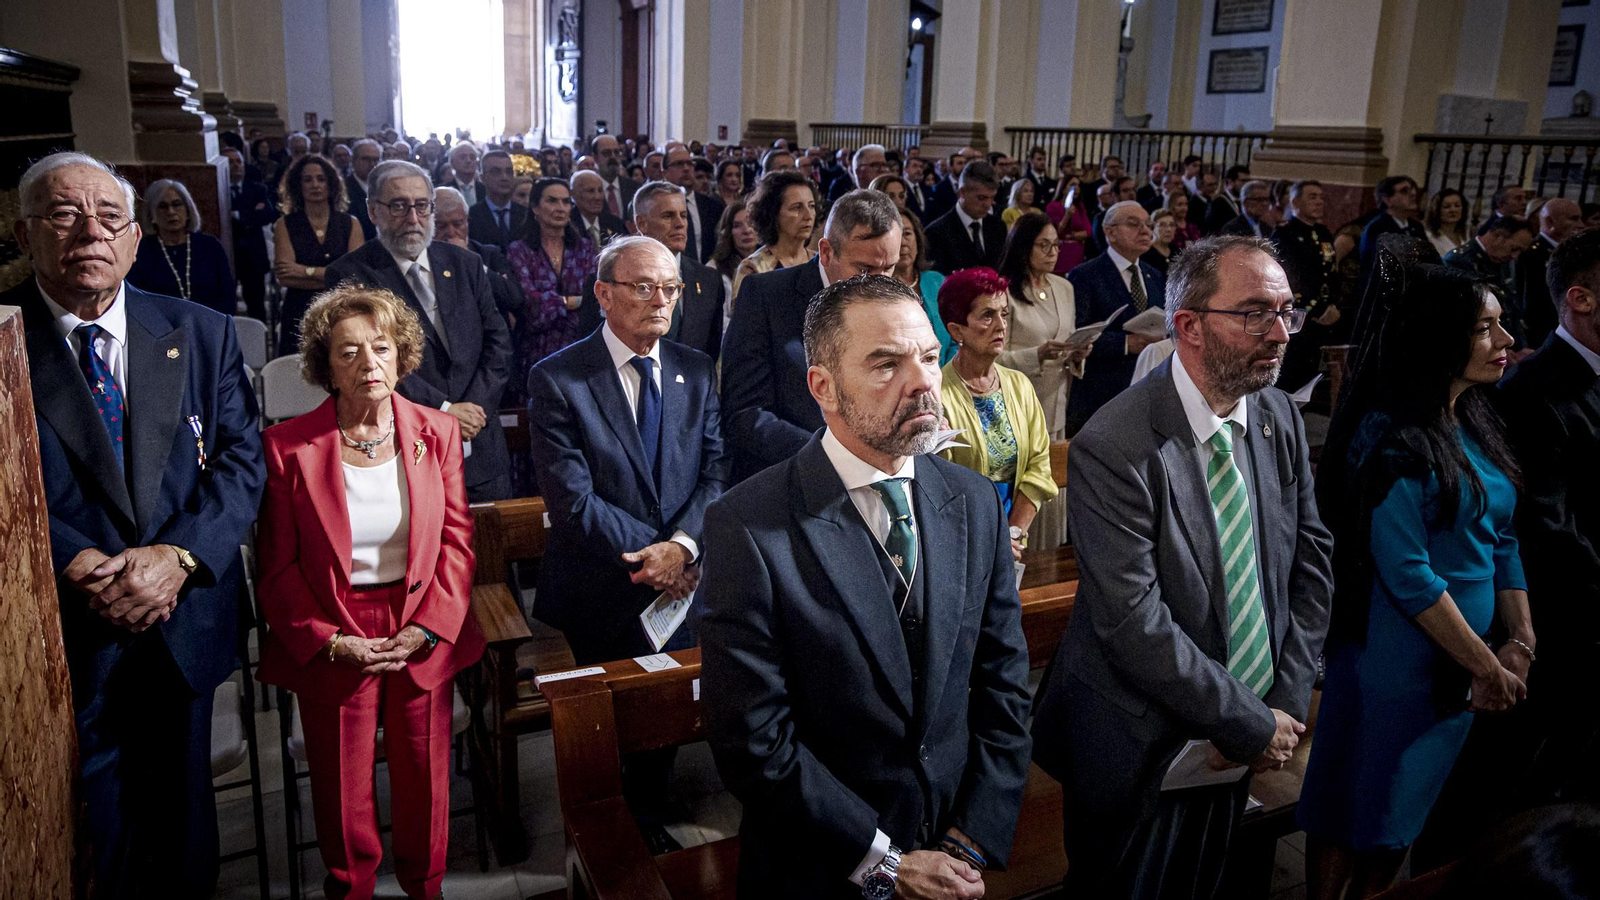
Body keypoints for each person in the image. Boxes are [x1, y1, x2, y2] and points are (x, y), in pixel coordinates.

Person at [701, 272, 1033, 900]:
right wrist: (885, 863)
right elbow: (754, 741)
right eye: (886, 364)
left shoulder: (971, 500)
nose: (922, 382)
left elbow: (1003, 677)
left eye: (930, 356)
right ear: (822, 386)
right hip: (820, 862)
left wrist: (975, 831)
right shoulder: (749, 526)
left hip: (955, 847)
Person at [1033, 234, 1333, 899]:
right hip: (1144, 740)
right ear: (1189, 326)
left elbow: (1309, 556)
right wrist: (1247, 720)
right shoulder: (1116, 443)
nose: (1281, 332)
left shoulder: (1276, 413)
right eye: (1256, 312)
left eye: (1288, 311)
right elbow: (1132, 623)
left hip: (1253, 731)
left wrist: (1279, 707)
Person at [9, 151, 265, 898]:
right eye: (64, 214)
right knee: (85, 844)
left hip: (180, 619)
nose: (90, 231)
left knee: (184, 841)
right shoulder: (4, 341)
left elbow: (242, 464)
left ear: (133, 237)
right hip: (58, 628)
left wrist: (180, 556)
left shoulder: (202, 331)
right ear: (25, 235)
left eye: (109, 216)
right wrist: (71, 559)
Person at [1299, 262, 1529, 899]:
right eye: (1485, 329)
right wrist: (1484, 664)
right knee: (1354, 801)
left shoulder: (1474, 419)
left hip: (1467, 657)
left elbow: (1503, 537)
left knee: (1400, 817)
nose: (1506, 341)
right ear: (1438, 338)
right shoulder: (1395, 436)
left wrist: (1522, 641)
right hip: (1395, 655)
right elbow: (1406, 570)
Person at [256, 285, 485, 900]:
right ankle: (351, 889)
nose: (369, 364)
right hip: (336, 627)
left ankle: (425, 886)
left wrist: (428, 626)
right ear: (323, 366)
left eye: (381, 348)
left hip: (419, 622)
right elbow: (275, 570)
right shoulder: (287, 449)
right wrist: (330, 642)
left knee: (425, 779)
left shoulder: (436, 432)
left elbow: (458, 544)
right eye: (349, 352)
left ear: (402, 354)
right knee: (340, 787)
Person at [526, 234, 728, 852]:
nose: (661, 300)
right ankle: (602, 828)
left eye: (670, 288)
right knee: (605, 726)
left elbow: (717, 471)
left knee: (664, 709)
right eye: (644, 287)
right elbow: (572, 501)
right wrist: (660, 556)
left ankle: (644, 817)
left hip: (682, 580)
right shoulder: (560, 378)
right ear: (604, 294)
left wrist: (686, 548)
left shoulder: (694, 369)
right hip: (600, 583)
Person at [324, 161, 514, 502]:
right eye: (399, 206)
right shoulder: (351, 276)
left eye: (421, 205)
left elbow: (499, 344)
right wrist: (441, 410)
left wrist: (472, 407)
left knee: (490, 548)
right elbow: (370, 364)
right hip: (405, 443)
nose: (413, 218)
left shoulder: (465, 264)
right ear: (373, 211)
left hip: (480, 438)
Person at [721, 189, 901, 481]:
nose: (878, 285)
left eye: (889, 268)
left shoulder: (895, 303)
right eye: (865, 270)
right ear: (827, 252)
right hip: (788, 478)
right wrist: (829, 457)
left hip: (876, 472)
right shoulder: (765, 296)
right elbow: (745, 413)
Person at [934, 265, 1063, 560]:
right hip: (960, 544)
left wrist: (1012, 534)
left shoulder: (1019, 385)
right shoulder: (937, 395)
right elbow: (942, 487)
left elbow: (1039, 466)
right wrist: (991, 543)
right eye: (987, 315)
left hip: (1013, 541)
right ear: (956, 330)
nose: (1001, 326)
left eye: (1003, 314)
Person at [576, 181, 725, 361]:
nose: (680, 224)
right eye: (668, 216)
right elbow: (593, 346)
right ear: (642, 223)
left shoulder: (708, 278)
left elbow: (711, 349)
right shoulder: (610, 277)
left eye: (684, 215)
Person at [1064, 199, 1167, 434]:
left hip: (1145, 385)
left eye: (1149, 225)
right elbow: (1076, 334)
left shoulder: (1155, 275)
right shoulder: (1085, 275)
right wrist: (1125, 343)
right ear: (1110, 232)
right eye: (1134, 224)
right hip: (1101, 389)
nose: (1145, 231)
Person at [505, 176, 600, 392]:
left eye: (566, 202)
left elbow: (594, 299)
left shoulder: (584, 248)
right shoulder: (520, 250)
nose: (560, 208)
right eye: (552, 201)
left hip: (581, 349)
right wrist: (574, 301)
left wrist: (555, 302)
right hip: (535, 353)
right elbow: (530, 304)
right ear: (535, 207)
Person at [272, 153, 364, 356]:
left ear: (331, 185)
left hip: (341, 309)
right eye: (308, 179)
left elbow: (355, 277)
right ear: (299, 186)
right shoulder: (285, 224)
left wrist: (305, 271)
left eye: (321, 179)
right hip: (299, 312)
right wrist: (333, 277)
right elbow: (286, 276)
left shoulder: (351, 223)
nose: (315, 184)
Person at [125, 178, 236, 316]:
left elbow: (227, 295)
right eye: (163, 206)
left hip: (211, 327)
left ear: (188, 210)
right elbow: (136, 300)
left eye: (177, 204)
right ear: (151, 213)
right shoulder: (142, 251)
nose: (171, 212)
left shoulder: (210, 246)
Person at [1272, 179, 1341, 391]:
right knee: (1291, 379)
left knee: (1313, 381)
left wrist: (1334, 305)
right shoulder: (1285, 234)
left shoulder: (1323, 232)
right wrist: (1316, 309)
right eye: (1313, 197)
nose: (1319, 202)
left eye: (1321, 197)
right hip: (1300, 316)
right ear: (1296, 202)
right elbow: (1287, 278)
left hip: (1325, 317)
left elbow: (1331, 272)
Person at [432, 186, 525, 340]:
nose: (451, 232)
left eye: (458, 224)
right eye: (441, 226)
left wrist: (471, 262)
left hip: (491, 343)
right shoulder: (423, 261)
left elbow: (514, 298)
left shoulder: (489, 254)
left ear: (467, 222)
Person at [1443, 216, 1536, 350]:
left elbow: (1512, 309)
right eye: (1514, 248)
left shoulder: (1504, 260)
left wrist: (1521, 348)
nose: (1515, 256)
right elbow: (1464, 318)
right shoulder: (1458, 261)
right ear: (1498, 235)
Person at [731, 169, 817, 305]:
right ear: (773, 213)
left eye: (811, 206)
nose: (808, 215)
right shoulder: (753, 268)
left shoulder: (821, 263)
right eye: (796, 208)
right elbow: (744, 323)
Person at [1515, 198, 1584, 348]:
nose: (1580, 225)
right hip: (1541, 336)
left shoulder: (1569, 252)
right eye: (1573, 219)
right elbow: (1531, 303)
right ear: (1550, 221)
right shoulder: (1532, 255)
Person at [221, 146, 278, 320]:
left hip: (253, 256)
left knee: (256, 305)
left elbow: (267, 214)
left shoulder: (256, 188)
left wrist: (237, 215)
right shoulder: (219, 190)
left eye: (238, 161)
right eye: (230, 162)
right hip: (229, 254)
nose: (236, 166)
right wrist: (251, 213)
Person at [894, 209, 954, 364]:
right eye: (895, 235)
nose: (902, 242)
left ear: (918, 240)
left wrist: (946, 376)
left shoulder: (938, 282)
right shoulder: (878, 290)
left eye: (907, 233)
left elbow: (957, 337)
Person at [926, 161, 1005, 274]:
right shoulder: (936, 233)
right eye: (981, 198)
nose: (988, 204)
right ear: (962, 193)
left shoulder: (998, 227)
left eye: (992, 198)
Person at [1360, 176, 1427, 283]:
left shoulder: (1416, 227)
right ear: (1387, 200)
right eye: (1404, 191)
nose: (1413, 194)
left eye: (1413, 189)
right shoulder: (1378, 228)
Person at [467, 149, 528, 252]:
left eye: (509, 172)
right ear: (482, 178)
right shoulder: (471, 216)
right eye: (496, 172)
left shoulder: (526, 214)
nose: (504, 177)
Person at [710, 199, 760, 309]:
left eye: (751, 223)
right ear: (728, 232)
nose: (746, 230)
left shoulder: (773, 260)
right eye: (737, 225)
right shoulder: (714, 269)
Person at [568, 169, 628, 251]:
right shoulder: (568, 226)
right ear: (573, 194)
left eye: (600, 190)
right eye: (590, 191)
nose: (597, 197)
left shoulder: (615, 224)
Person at [1044, 175, 1092, 273]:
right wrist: (1067, 215)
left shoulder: (1079, 207)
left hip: (1077, 252)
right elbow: (1056, 231)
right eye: (1072, 185)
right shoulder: (1053, 207)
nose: (1077, 188)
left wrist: (1072, 236)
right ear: (1063, 188)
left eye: (1078, 185)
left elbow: (1088, 231)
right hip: (1061, 252)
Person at [592, 134, 641, 218]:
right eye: (606, 153)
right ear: (595, 157)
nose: (613, 157)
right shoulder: (589, 189)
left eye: (616, 152)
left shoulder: (635, 188)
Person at [1203, 164, 1248, 234]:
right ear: (1230, 182)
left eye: (1248, 181)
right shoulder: (1218, 202)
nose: (1246, 184)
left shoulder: (1246, 201)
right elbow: (1212, 229)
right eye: (1243, 181)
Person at [1425, 187, 1469, 259]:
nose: (1453, 210)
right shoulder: (1430, 237)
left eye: (1457, 206)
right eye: (1446, 207)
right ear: (1437, 210)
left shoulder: (1466, 235)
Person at [440, 141, 482, 207]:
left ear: (477, 163)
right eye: (463, 157)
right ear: (452, 163)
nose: (468, 160)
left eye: (472, 157)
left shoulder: (486, 190)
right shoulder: (443, 191)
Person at [1143, 208, 1177, 276]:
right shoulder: (1145, 253)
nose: (1168, 229)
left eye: (1172, 225)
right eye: (1162, 225)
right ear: (1152, 228)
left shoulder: (1177, 252)